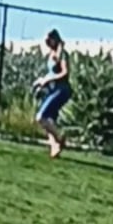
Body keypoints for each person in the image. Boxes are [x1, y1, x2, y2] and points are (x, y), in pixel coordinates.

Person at [34, 29, 72, 159]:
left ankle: (60, 139)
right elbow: (51, 73)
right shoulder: (51, 54)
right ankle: (54, 147)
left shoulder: (63, 55)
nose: (46, 43)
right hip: (51, 90)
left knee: (41, 117)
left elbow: (65, 73)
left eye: (48, 40)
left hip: (62, 90)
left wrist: (49, 80)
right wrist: (42, 81)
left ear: (54, 39)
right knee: (49, 121)